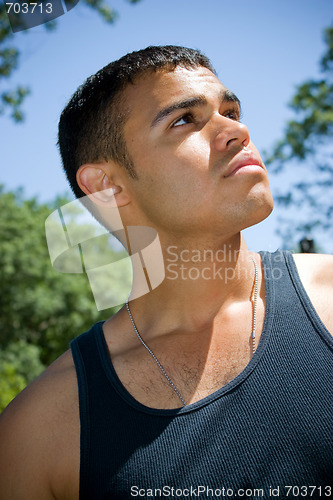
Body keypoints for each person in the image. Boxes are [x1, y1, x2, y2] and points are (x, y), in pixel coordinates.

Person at [0, 45, 332, 500]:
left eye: (230, 110)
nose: (237, 130)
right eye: (184, 120)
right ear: (107, 186)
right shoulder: (40, 430)